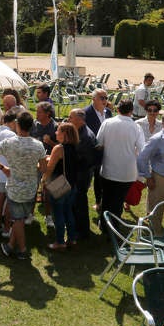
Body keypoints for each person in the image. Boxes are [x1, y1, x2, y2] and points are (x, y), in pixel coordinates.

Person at [0, 111, 47, 260]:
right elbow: (44, 169)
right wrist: (32, 166)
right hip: (30, 188)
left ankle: (23, 250)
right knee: (21, 219)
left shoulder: (9, 143)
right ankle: (10, 246)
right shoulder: (38, 145)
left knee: (18, 220)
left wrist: (3, 168)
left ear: (17, 125)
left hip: (14, 187)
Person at [96, 99, 144, 228]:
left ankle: (105, 225)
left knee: (106, 199)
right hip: (127, 173)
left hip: (108, 169)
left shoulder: (107, 123)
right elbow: (142, 149)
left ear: (118, 109)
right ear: (131, 111)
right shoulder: (136, 127)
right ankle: (114, 226)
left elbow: (99, 143)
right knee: (118, 201)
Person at [42, 122, 80, 250]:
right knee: (68, 212)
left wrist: (44, 179)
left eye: (58, 131)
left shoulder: (59, 148)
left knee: (58, 213)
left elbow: (50, 168)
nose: (56, 133)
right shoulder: (76, 147)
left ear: (65, 134)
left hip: (59, 184)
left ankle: (59, 242)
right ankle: (72, 239)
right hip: (72, 184)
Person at [68, 108, 99, 239]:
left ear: (80, 120)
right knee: (77, 202)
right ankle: (77, 227)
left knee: (79, 202)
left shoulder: (85, 136)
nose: (68, 120)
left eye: (71, 117)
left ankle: (82, 231)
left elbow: (78, 157)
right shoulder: (80, 131)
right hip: (81, 172)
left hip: (82, 174)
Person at [85, 89, 113, 211]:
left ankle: (100, 201)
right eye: (102, 98)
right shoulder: (85, 113)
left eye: (106, 98)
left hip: (106, 152)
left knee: (102, 178)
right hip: (90, 153)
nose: (105, 101)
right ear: (93, 99)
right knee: (90, 179)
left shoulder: (108, 113)